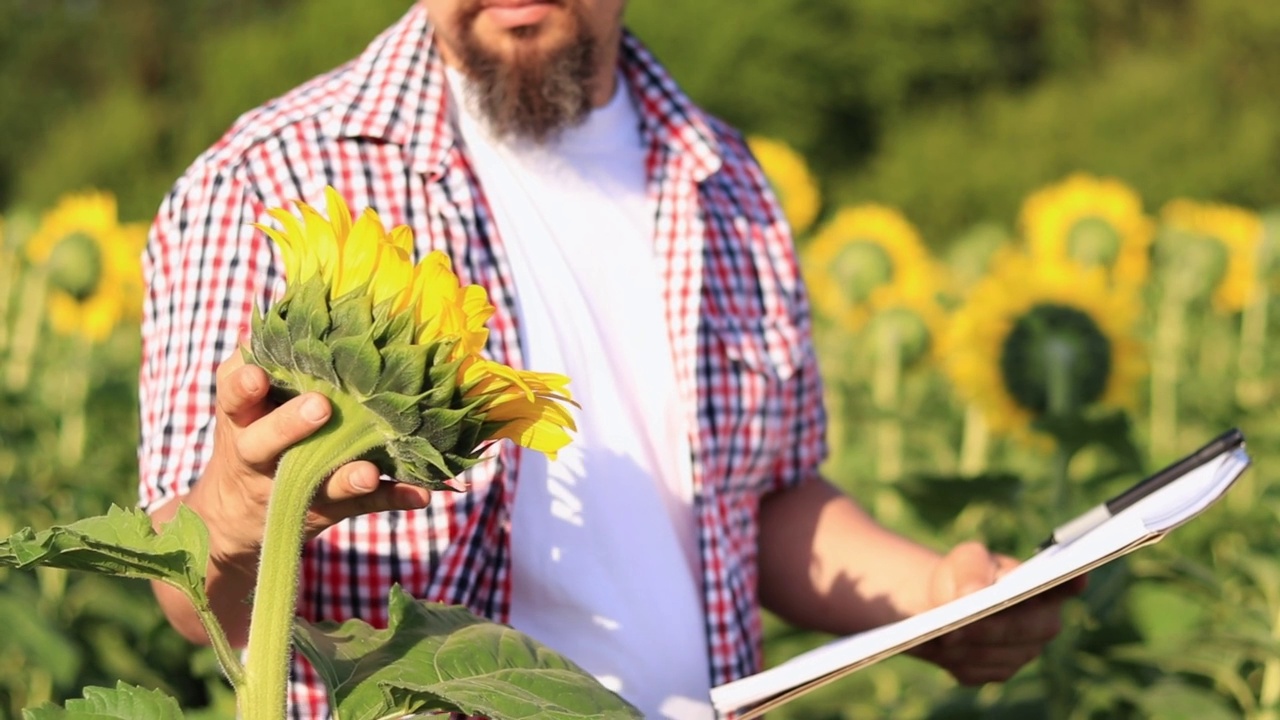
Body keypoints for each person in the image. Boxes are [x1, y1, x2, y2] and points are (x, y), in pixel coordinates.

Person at [139, 1, 1079, 718]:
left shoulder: (729, 180)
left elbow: (766, 499)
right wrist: (233, 514)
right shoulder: (269, 178)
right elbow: (188, 593)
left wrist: (933, 600)